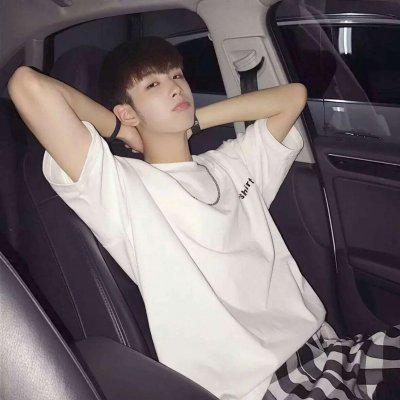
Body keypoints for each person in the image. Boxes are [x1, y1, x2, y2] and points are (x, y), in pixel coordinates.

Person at [7, 36, 399, 400]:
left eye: (176, 76)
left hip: (329, 351)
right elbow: (27, 85)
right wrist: (121, 128)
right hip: (264, 385)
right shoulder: (122, 186)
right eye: (153, 85)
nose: (175, 88)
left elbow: (292, 96)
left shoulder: (231, 162)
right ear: (128, 110)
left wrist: (196, 121)